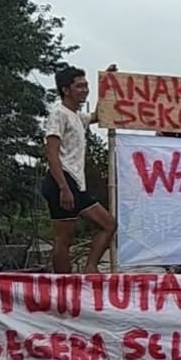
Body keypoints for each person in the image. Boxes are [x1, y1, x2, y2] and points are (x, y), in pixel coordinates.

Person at [42, 66, 118, 273]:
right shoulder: (58, 114)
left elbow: (97, 115)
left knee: (108, 224)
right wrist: (64, 187)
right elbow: (52, 152)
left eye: (86, 85)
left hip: (75, 182)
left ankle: (90, 268)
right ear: (66, 90)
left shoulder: (76, 116)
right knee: (64, 238)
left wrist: (108, 82)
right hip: (62, 180)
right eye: (79, 86)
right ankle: (63, 282)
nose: (85, 90)